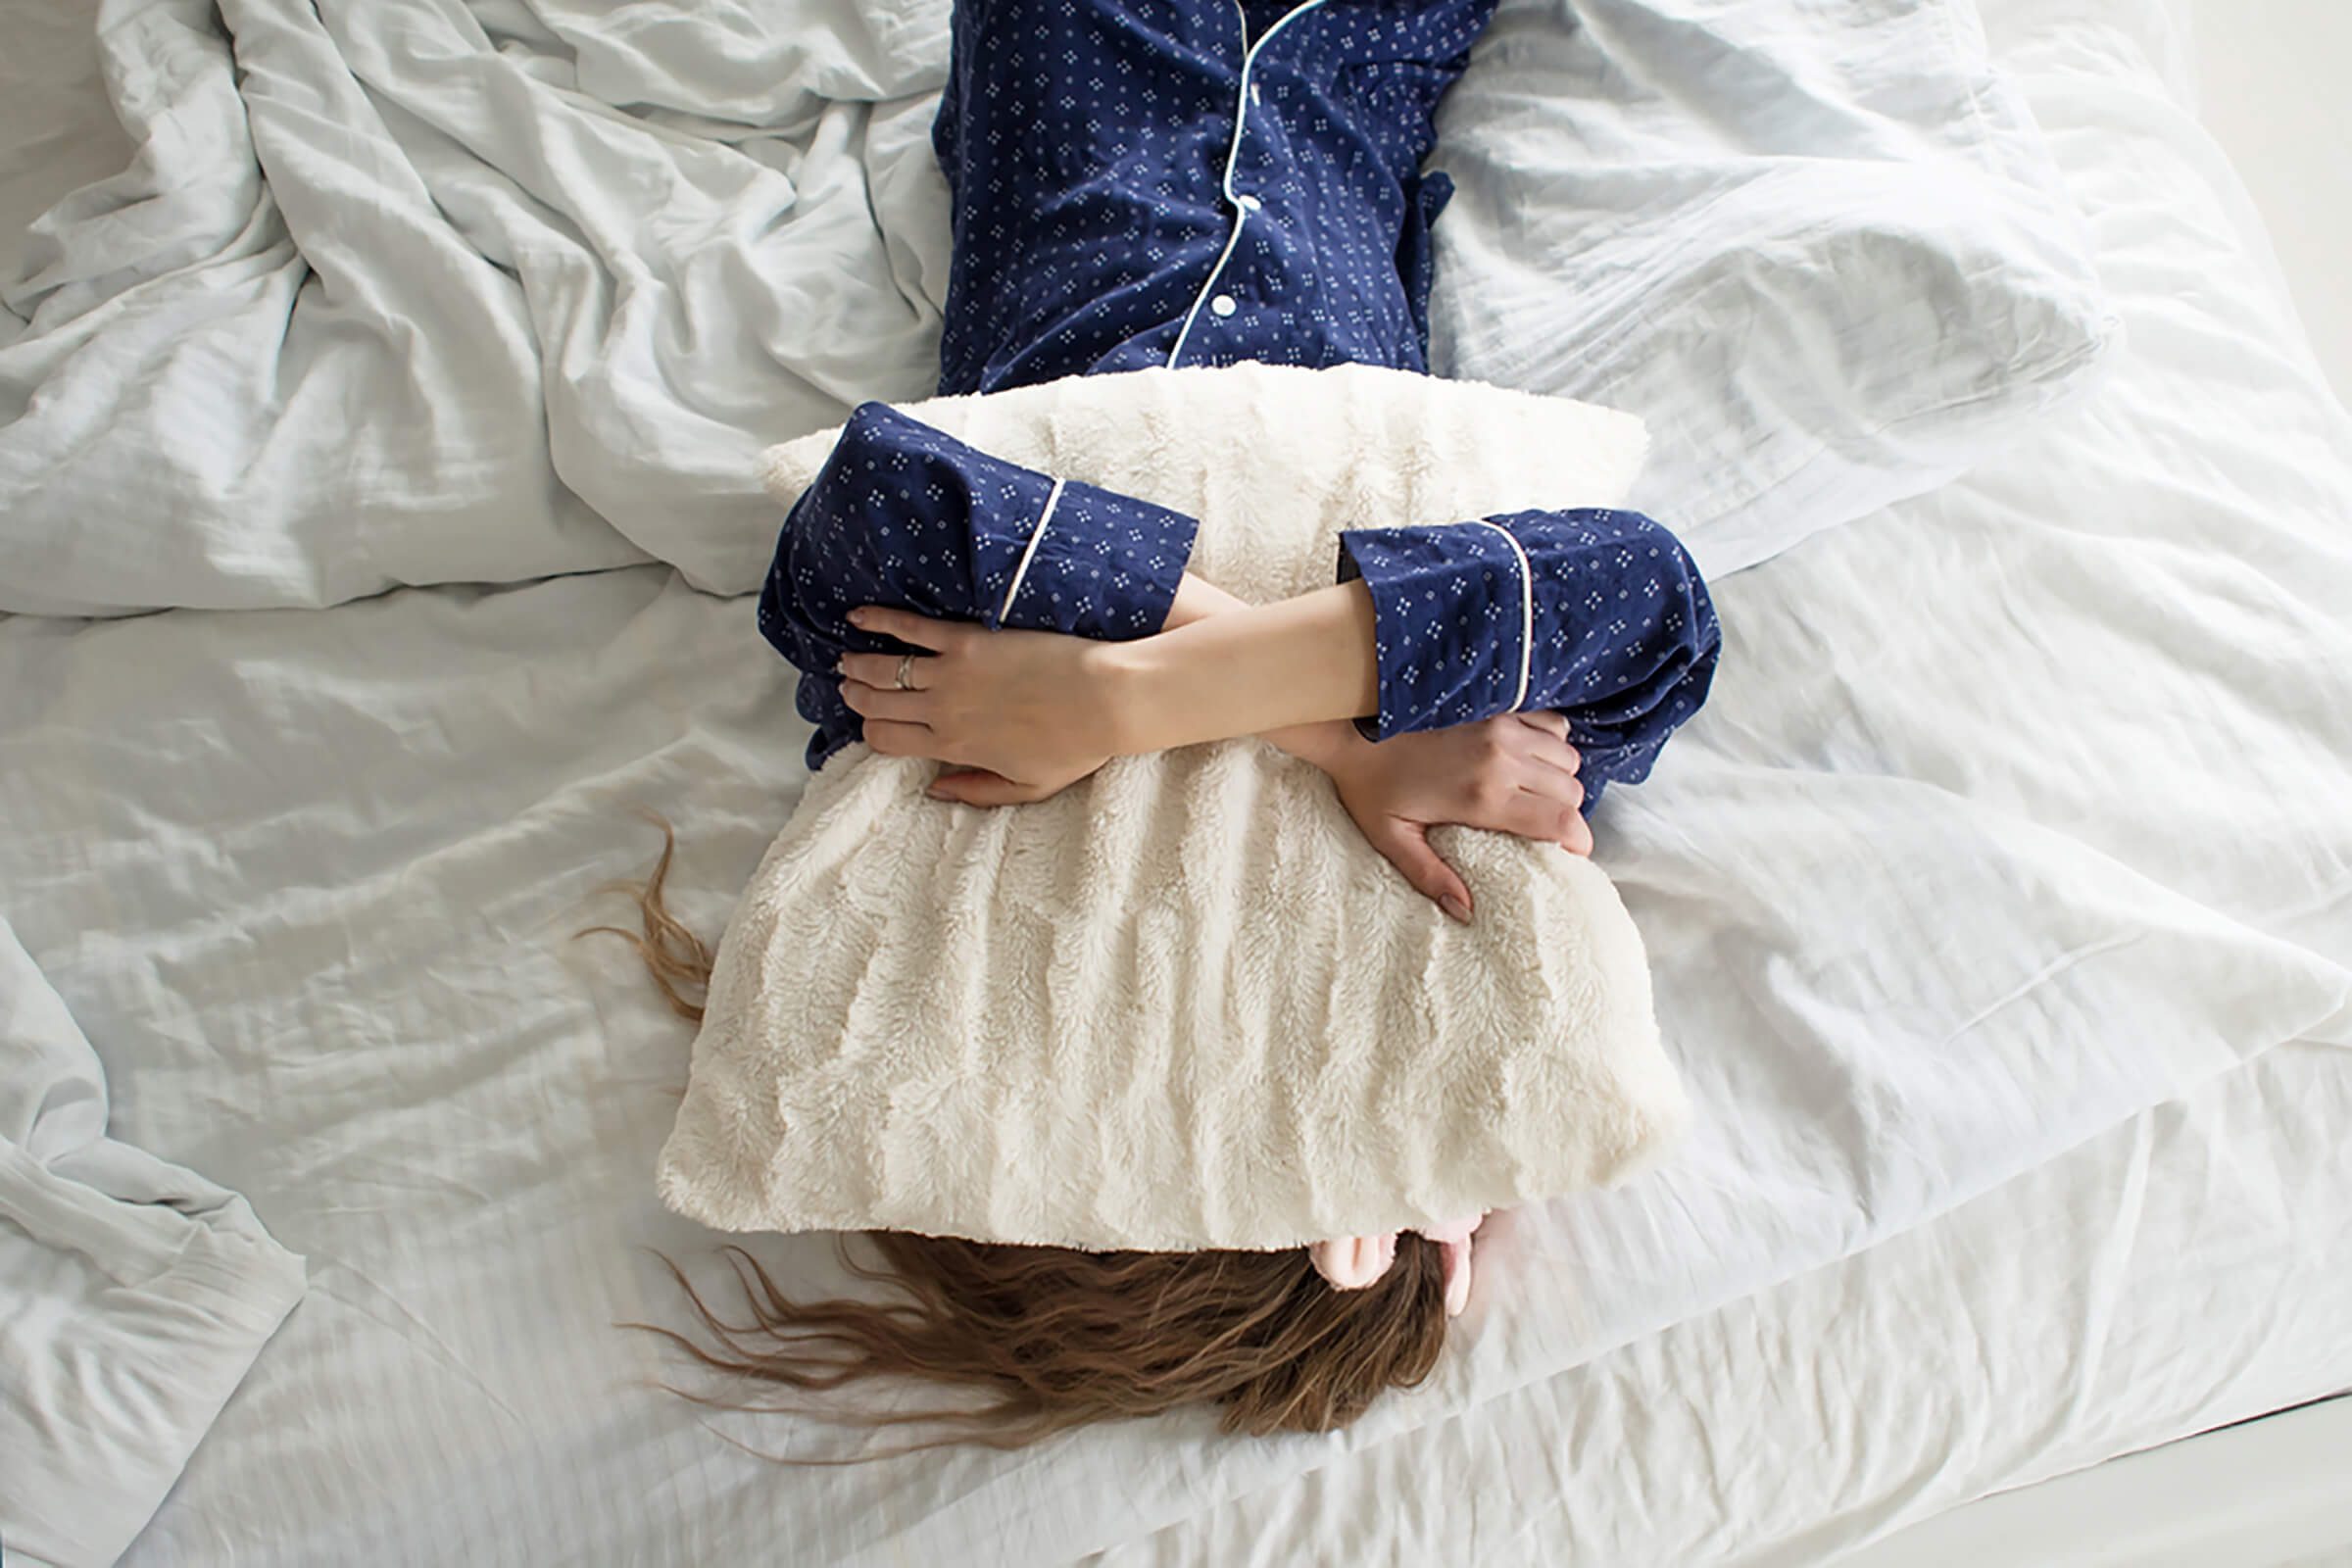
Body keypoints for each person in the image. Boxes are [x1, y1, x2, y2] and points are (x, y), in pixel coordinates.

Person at [615, 0, 1722, 1449]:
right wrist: (1296, 731)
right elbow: (1645, 592)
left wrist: (1125, 698)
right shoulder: (1481, 820)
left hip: (1079, 92)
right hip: (1346, 96)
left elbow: (877, 501)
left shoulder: (944, 779)